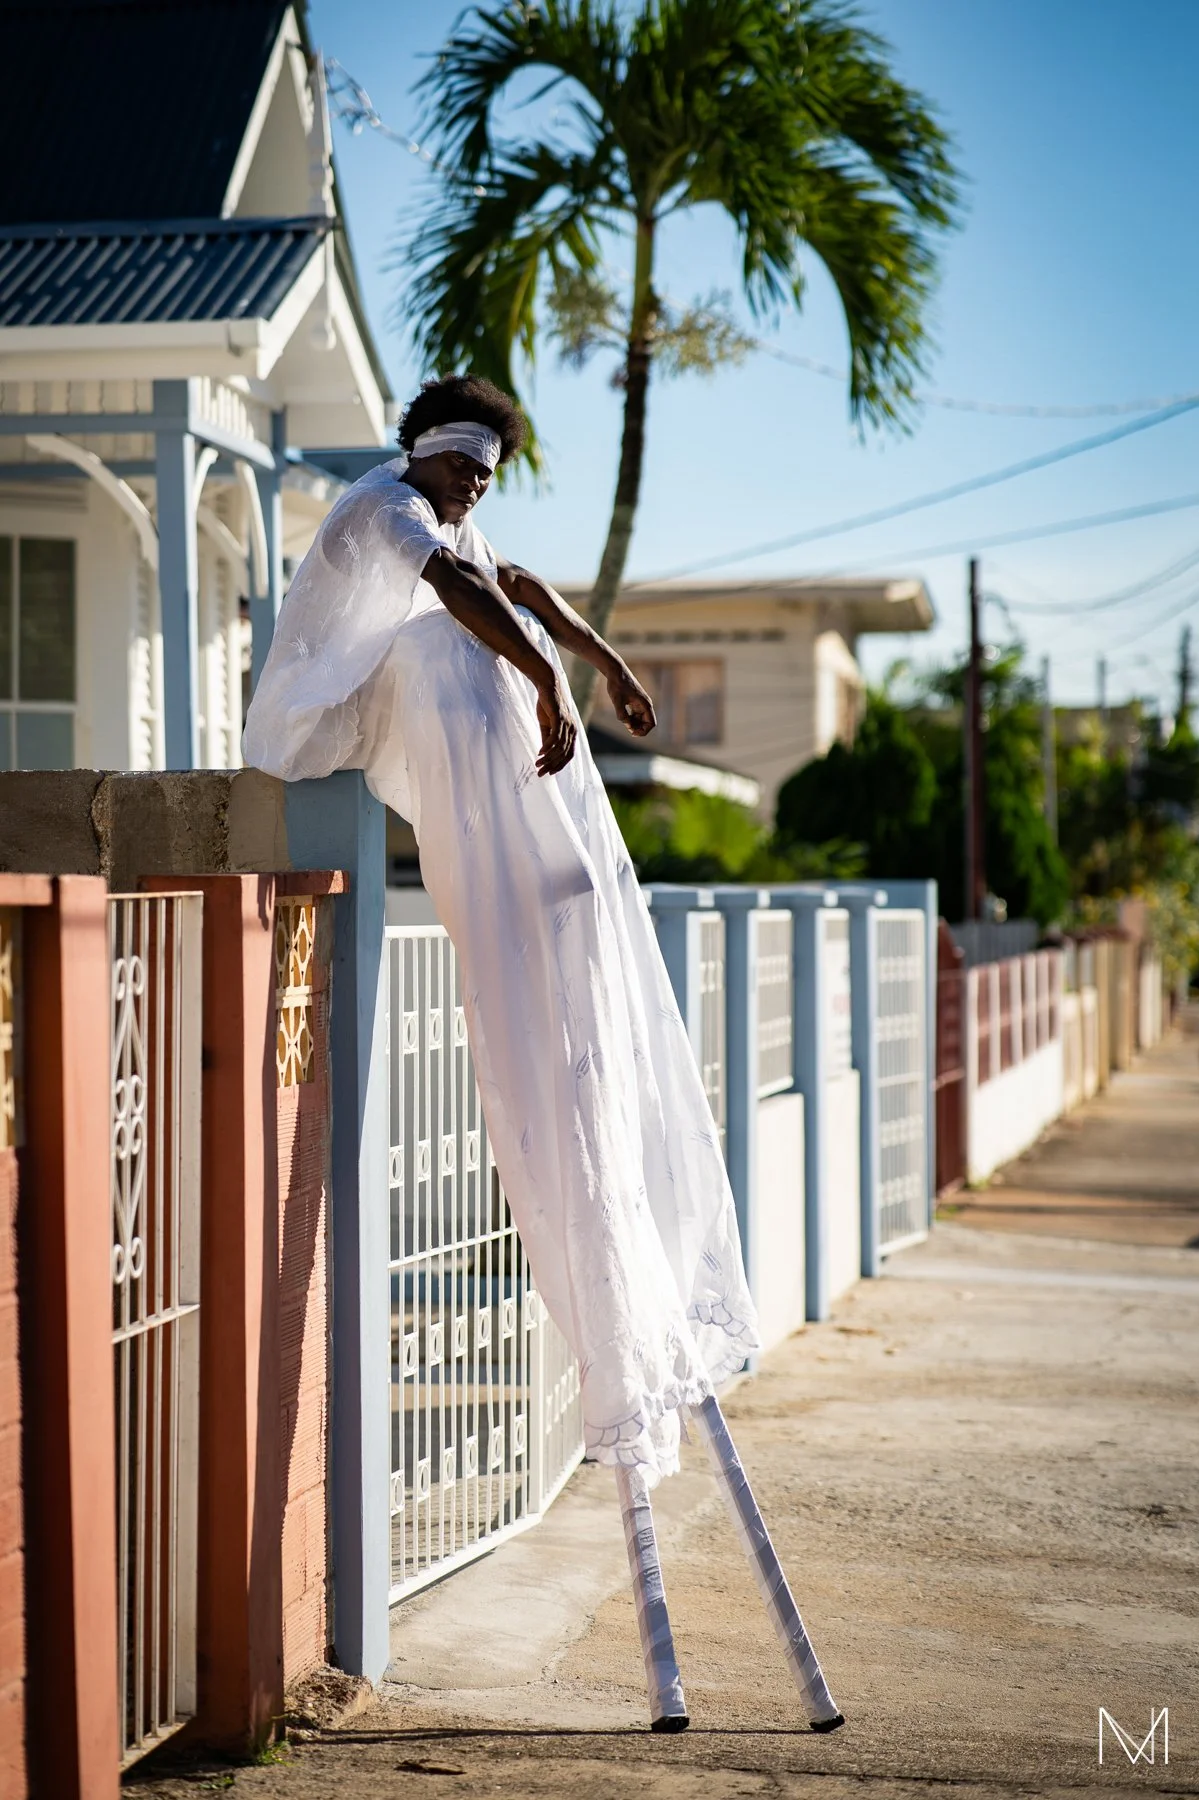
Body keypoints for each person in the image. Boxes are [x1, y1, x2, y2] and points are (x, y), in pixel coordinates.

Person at [243, 375, 841, 1733]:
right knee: (475, 646)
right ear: (433, 455)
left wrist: (605, 664)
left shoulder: (459, 533)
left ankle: (547, 884)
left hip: (448, 706)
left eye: (489, 477)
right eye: (471, 468)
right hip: (319, 733)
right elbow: (471, 606)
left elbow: (522, 587)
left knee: (498, 636)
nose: (477, 492)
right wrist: (545, 687)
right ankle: (513, 884)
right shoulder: (389, 511)